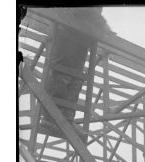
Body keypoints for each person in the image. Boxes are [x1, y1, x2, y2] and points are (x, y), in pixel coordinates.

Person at [39, 8, 116, 137]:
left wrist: (100, 25)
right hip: (68, 29)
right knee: (61, 75)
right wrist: (102, 25)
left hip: (82, 34)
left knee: (76, 79)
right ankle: (51, 117)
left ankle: (67, 120)